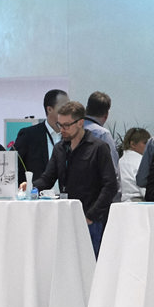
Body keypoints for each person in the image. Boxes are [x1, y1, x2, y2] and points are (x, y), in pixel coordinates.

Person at [37, 99, 118, 255]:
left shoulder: (98, 148)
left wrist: (91, 216)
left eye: (66, 125)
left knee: (90, 263)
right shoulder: (60, 148)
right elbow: (47, 179)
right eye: (59, 125)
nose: (62, 130)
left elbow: (110, 185)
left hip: (89, 218)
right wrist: (29, 187)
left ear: (80, 123)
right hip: (65, 216)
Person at [13, 88, 65, 183]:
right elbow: (13, 166)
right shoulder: (29, 135)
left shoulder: (71, 135)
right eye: (63, 107)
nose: (68, 111)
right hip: (37, 190)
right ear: (49, 109)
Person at [116, 127, 151, 201]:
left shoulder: (121, 161)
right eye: (145, 143)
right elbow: (143, 186)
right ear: (133, 144)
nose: (148, 146)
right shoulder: (140, 160)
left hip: (124, 201)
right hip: (141, 200)